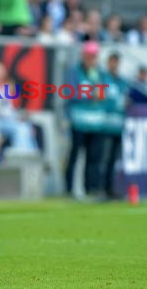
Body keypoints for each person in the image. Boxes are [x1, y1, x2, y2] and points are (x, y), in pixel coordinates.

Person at [64, 41, 106, 198]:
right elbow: (70, 92)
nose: (92, 59)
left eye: (94, 56)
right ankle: (69, 189)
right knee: (75, 155)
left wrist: (100, 95)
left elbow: (103, 93)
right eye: (89, 56)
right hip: (79, 121)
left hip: (96, 121)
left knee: (94, 157)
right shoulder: (74, 72)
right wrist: (90, 95)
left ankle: (91, 188)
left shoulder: (98, 73)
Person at [102, 53, 128, 199]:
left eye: (116, 62)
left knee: (113, 159)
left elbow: (125, 100)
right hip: (105, 124)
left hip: (118, 125)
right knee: (103, 159)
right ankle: (101, 188)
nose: (114, 65)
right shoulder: (103, 79)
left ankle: (111, 188)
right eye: (112, 62)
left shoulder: (122, 81)